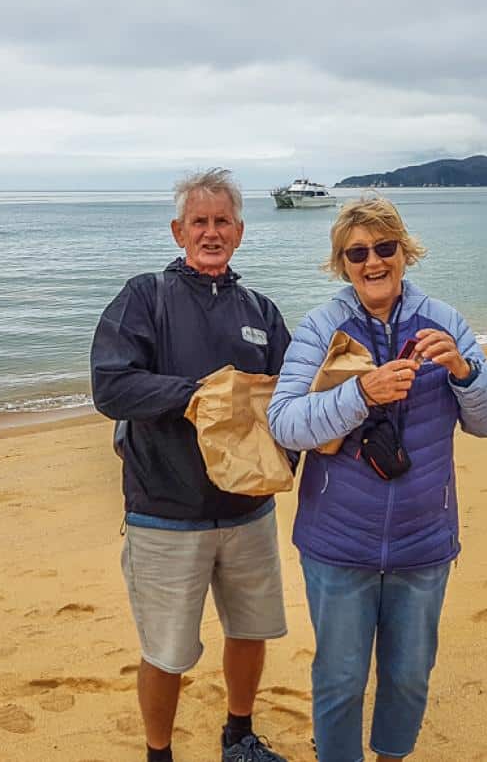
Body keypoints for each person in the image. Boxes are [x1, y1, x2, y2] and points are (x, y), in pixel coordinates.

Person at [267, 195, 487, 762]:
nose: (372, 262)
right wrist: (359, 393)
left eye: (384, 247)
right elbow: (284, 421)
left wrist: (463, 370)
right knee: (340, 680)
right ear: (342, 262)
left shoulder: (445, 322)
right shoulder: (321, 327)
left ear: (404, 251)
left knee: (408, 678)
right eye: (357, 253)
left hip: (423, 541)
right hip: (337, 543)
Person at [90, 169, 291, 762]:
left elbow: (291, 398)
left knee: (251, 630)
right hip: (165, 512)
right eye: (199, 222)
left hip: (248, 510)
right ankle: (159, 753)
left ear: (240, 232)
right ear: (179, 230)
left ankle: (240, 734)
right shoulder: (144, 297)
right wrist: (194, 396)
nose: (211, 232)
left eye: (222, 221)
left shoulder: (260, 310)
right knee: (168, 650)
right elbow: (112, 387)